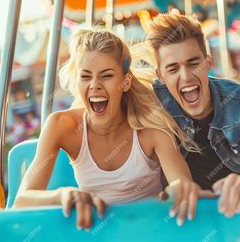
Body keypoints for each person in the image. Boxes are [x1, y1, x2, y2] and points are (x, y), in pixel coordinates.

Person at [13, 28, 207, 230]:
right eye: (86, 77)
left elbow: (182, 186)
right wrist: (62, 195)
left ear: (125, 82)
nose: (95, 85)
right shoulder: (61, 126)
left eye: (106, 76)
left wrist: (173, 194)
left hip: (148, 231)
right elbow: (22, 201)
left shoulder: (151, 129)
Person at [146, 12, 240, 218]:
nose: (185, 76)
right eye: (173, 68)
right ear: (161, 76)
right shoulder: (152, 105)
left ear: (208, 63)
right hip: (195, 223)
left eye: (193, 63)